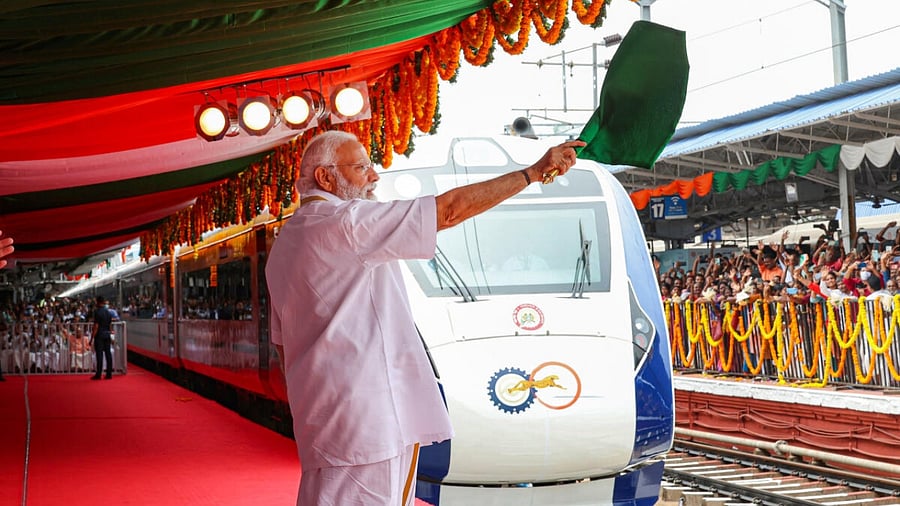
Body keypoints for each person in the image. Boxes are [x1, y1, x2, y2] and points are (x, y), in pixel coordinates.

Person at [265, 130, 582, 505]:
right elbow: (448, 210)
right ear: (325, 177)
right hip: (368, 421)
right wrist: (531, 173)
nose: (373, 177)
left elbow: (282, 346)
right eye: (361, 168)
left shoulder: (284, 245)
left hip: (326, 417)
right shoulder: (346, 222)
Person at [89, 295, 114, 380]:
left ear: (97, 302)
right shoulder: (108, 312)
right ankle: (109, 373)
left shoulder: (97, 312)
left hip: (99, 335)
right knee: (108, 354)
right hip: (107, 335)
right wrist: (111, 335)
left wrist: (92, 338)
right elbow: (110, 326)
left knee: (99, 355)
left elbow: (96, 326)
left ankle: (99, 374)